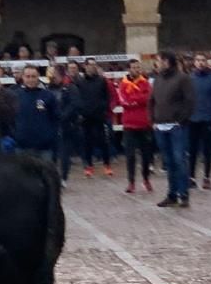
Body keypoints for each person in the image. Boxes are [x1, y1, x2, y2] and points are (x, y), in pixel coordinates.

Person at [150, 51, 193, 207]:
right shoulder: (157, 79)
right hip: (160, 126)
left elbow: (190, 101)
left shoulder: (182, 78)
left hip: (177, 127)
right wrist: (153, 119)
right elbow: (152, 100)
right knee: (168, 162)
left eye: (159, 60)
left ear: (167, 62)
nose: (157, 63)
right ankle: (172, 194)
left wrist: (181, 120)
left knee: (179, 160)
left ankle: (184, 194)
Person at [187, 52, 211, 190]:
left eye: (203, 60)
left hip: (207, 118)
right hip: (193, 118)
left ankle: (207, 177)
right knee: (192, 150)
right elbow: (187, 99)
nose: (200, 63)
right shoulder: (190, 78)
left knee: (207, 150)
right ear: (194, 62)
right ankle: (191, 177)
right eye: (198, 60)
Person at [13, 63, 61, 171]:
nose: (31, 79)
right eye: (28, 76)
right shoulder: (15, 95)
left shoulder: (48, 95)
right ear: (23, 77)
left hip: (44, 148)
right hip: (22, 146)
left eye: (33, 76)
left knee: (46, 177)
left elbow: (56, 117)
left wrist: (50, 136)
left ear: (38, 76)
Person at [114, 57, 153, 192]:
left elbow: (146, 98)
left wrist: (133, 100)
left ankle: (146, 179)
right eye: (134, 67)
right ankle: (131, 182)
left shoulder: (145, 83)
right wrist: (136, 100)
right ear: (129, 69)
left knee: (146, 154)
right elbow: (123, 100)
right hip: (129, 124)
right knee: (130, 155)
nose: (137, 70)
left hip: (144, 123)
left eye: (138, 67)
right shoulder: (123, 84)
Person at [74, 57, 113, 177]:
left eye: (94, 65)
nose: (92, 67)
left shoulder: (101, 80)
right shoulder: (79, 81)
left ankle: (107, 164)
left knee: (103, 141)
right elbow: (77, 97)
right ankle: (89, 165)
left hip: (99, 115)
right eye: (90, 65)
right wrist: (81, 111)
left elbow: (107, 97)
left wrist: (104, 108)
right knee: (87, 142)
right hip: (86, 116)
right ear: (85, 66)